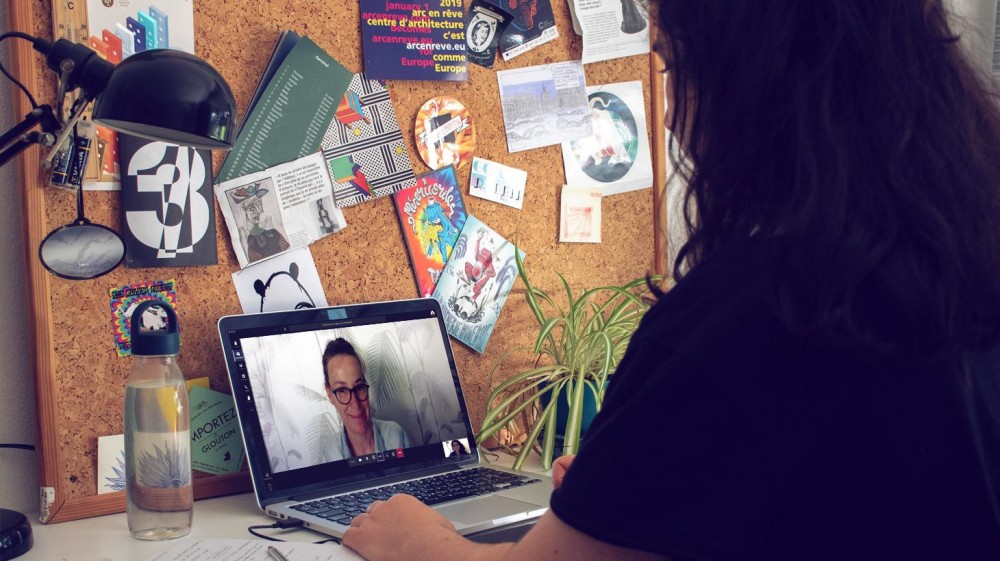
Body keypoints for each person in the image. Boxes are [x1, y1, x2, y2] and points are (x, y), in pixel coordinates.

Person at [342, 2, 1000, 560]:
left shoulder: (754, 312)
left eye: (678, 67)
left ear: (755, 84)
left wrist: (418, 538)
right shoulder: (960, 271)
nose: (670, 118)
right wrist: (624, 492)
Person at [319, 338, 410, 462]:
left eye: (359, 387)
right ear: (330, 394)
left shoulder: (396, 435)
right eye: (342, 390)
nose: (356, 405)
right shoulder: (329, 453)